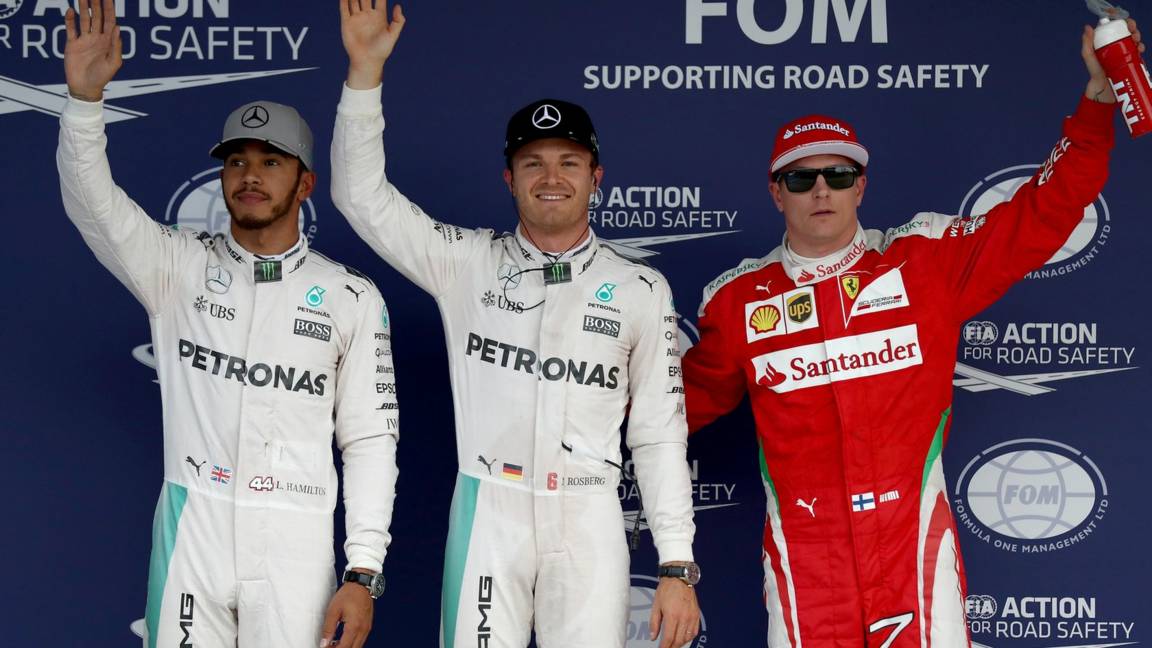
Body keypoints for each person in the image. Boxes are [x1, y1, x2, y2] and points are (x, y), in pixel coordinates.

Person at [681, 19, 1140, 648]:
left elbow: (1045, 210)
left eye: (839, 175)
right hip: (806, 562)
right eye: (801, 178)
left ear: (862, 185)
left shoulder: (924, 261)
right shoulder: (739, 302)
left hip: (912, 543)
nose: (822, 191)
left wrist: (1095, 103)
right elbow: (672, 408)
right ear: (776, 192)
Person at [330, 2, 700, 647]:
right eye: (533, 163)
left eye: (569, 162)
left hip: (588, 515)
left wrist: (675, 563)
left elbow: (659, 433)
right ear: (509, 178)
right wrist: (365, 74)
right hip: (488, 511)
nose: (551, 177)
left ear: (596, 177)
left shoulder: (641, 289)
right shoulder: (465, 262)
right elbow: (361, 198)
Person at [56, 2, 399, 647]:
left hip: (295, 543)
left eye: (271, 162)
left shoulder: (350, 297)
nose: (250, 176)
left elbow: (370, 441)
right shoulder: (174, 266)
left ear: (305, 184)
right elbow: (92, 204)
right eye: (237, 161)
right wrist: (84, 104)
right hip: (194, 530)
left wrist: (363, 570)